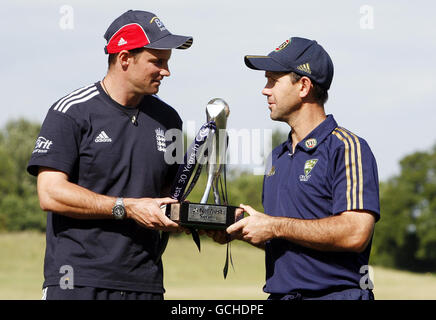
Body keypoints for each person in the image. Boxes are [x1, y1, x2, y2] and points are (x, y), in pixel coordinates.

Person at [27, 10, 193, 300]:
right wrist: (125, 207)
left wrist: (195, 217)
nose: (166, 71)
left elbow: (168, 196)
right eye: (158, 61)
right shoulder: (71, 111)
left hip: (146, 284)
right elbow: (50, 193)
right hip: (76, 282)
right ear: (125, 58)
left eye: (167, 62)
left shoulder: (171, 120)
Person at [224, 37, 380, 300]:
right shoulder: (277, 157)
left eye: (273, 80)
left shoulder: (347, 147)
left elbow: (356, 232)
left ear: (304, 86)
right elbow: (290, 238)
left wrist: (274, 226)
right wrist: (246, 230)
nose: (265, 90)